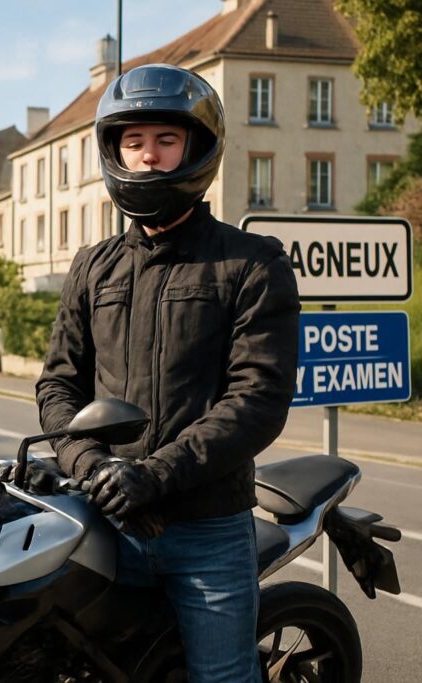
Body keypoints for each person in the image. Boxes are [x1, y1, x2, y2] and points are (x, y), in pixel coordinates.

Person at [35, 64, 300, 683]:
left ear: (196, 148)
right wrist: (90, 466)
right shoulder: (92, 266)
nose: (148, 157)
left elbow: (257, 398)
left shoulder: (251, 263)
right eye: (133, 142)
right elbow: (57, 386)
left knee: (223, 676)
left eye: (165, 140)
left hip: (207, 529)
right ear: (114, 151)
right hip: (99, 519)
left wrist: (155, 476)